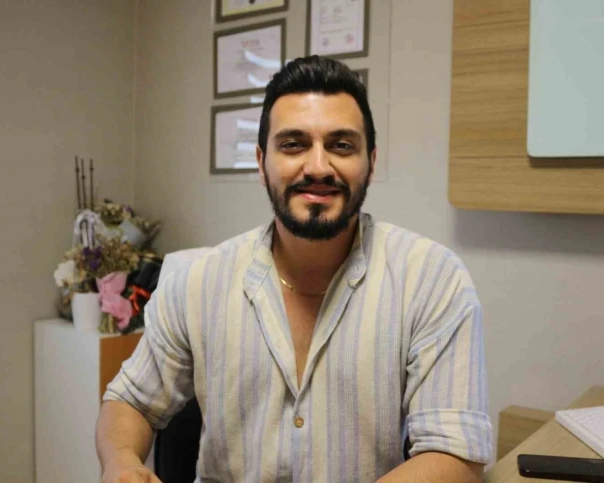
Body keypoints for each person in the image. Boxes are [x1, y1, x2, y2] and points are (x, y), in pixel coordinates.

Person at [96, 55, 492, 483]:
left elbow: (455, 454)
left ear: (371, 162)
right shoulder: (197, 283)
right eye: (293, 145)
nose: (318, 166)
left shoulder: (430, 279)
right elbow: (130, 401)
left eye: (341, 145)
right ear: (261, 162)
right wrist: (122, 463)